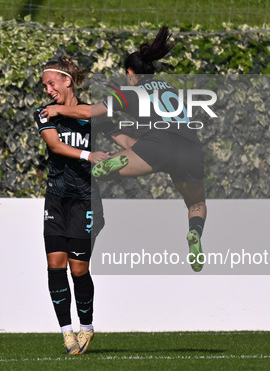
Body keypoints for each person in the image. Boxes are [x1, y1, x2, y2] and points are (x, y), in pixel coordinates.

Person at [39, 27, 207, 273]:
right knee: (197, 202)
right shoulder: (170, 89)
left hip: (157, 146)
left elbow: (88, 112)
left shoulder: (130, 92)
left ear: (130, 73)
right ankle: (194, 233)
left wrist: (59, 110)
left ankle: (114, 164)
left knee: (97, 170)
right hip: (190, 149)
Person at [34, 57, 109, 355]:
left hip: (85, 199)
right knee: (55, 264)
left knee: (79, 268)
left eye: (52, 83)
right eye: (45, 86)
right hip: (56, 198)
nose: (48, 90)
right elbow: (55, 146)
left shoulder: (88, 113)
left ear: (68, 80)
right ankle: (67, 333)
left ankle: (86, 328)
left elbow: (96, 114)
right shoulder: (44, 114)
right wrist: (88, 156)